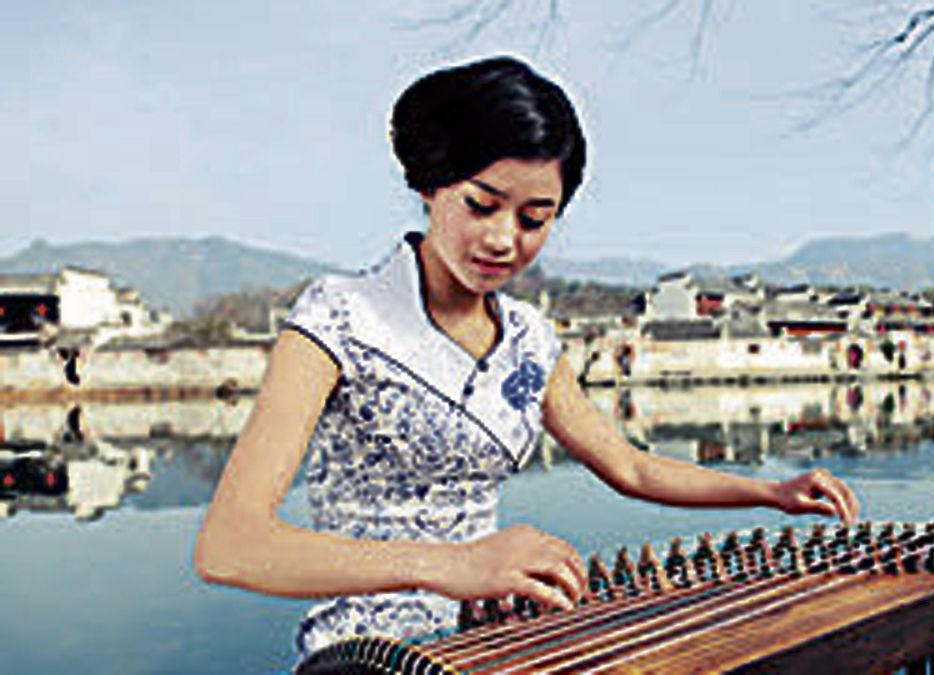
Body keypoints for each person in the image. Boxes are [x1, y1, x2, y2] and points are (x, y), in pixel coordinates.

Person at [193, 55, 859, 666]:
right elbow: (230, 544)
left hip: (494, 639)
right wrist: (447, 564)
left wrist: (772, 492)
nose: (503, 240)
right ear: (430, 186)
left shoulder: (529, 341)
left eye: (535, 219)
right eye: (481, 205)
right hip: (366, 656)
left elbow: (629, 465)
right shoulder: (341, 316)